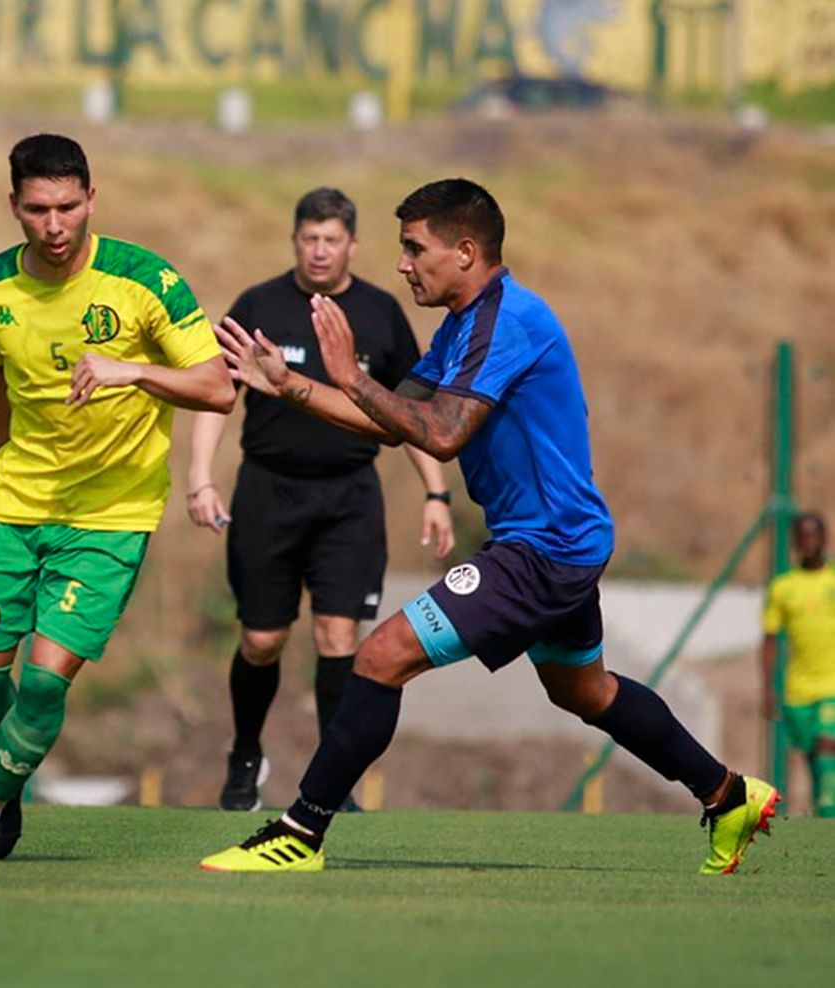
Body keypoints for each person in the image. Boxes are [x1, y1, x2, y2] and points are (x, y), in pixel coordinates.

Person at [201, 178, 779, 875]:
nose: (403, 264)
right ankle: (728, 794)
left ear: (466, 251)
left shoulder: (506, 323)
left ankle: (300, 832)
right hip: (556, 542)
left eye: (416, 248)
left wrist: (350, 378)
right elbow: (395, 424)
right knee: (583, 690)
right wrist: (291, 386)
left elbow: (438, 435)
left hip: (543, 550)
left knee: (381, 655)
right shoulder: (461, 328)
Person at [0, 133, 235, 862]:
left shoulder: (144, 281)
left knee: (41, 685)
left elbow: (219, 387)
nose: (55, 224)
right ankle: (5, 785)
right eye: (38, 209)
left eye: (69, 206)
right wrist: (7, 460)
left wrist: (133, 371)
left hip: (112, 516)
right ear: (14, 206)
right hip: (17, 508)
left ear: (92, 199)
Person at [185, 187, 455, 812]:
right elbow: (216, 397)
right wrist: (201, 478)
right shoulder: (260, 304)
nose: (320, 251)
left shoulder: (383, 313)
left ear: (353, 245)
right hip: (267, 493)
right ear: (295, 242)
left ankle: (333, 783)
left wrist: (436, 493)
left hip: (349, 500)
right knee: (262, 639)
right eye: (309, 238)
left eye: (332, 239)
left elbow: (411, 414)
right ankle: (245, 754)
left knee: (339, 636)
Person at [762, 512, 835, 818]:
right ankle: (821, 808)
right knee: (810, 752)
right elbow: (769, 639)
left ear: (824, 539)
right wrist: (767, 687)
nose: (808, 542)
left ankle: (829, 811)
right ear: (795, 542)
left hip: (831, 684)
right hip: (797, 687)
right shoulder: (783, 587)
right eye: (802, 537)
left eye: (813, 535)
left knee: (826, 744)